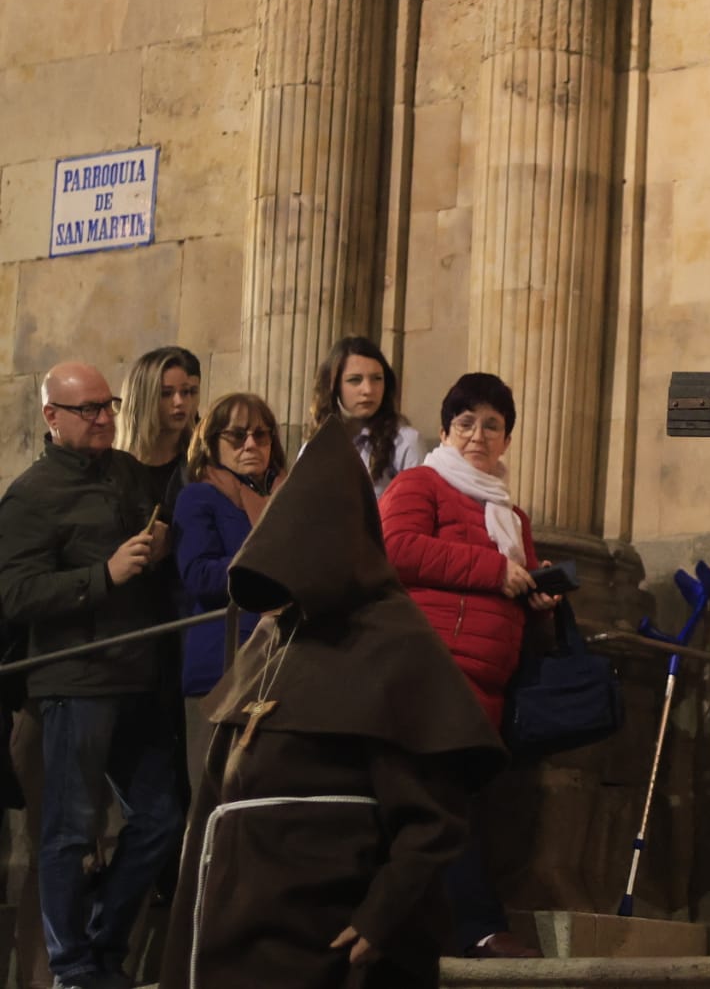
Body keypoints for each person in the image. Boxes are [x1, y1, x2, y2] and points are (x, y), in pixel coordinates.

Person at [159, 419, 506, 989]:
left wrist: (384, 913)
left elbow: (433, 817)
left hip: (327, 938)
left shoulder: (392, 641)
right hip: (237, 931)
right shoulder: (269, 642)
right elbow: (213, 805)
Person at [0, 362, 184, 989]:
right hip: (74, 682)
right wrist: (102, 576)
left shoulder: (127, 469)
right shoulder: (30, 495)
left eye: (107, 405)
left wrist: (159, 544)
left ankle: (104, 948)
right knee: (70, 831)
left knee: (161, 818)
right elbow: (15, 595)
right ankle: (73, 966)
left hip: (137, 672)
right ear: (52, 417)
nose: (105, 417)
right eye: (89, 409)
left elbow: (154, 535)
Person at [379, 372, 554, 959]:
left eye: (493, 425)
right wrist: (492, 571)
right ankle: (478, 928)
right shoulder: (420, 482)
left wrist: (540, 596)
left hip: (488, 681)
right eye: (466, 423)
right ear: (447, 430)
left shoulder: (512, 515)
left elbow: (516, 582)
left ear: (507, 439)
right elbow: (393, 549)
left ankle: (415, 932)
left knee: (452, 806)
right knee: (446, 807)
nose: (479, 435)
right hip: (434, 670)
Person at [171, 393, 287, 788]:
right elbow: (200, 574)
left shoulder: (284, 500)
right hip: (221, 668)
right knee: (214, 794)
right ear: (212, 443)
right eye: (237, 436)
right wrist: (267, 561)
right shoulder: (200, 496)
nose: (251, 445)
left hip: (280, 665)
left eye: (260, 434)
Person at [307, 336, 421, 497]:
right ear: (334, 386)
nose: (368, 389)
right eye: (355, 380)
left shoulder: (406, 442)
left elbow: (417, 510)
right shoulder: (315, 444)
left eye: (377, 379)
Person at [114, 345, 202, 519]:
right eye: (166, 394)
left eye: (185, 392)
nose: (180, 402)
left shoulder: (202, 462)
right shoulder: (116, 471)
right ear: (143, 399)